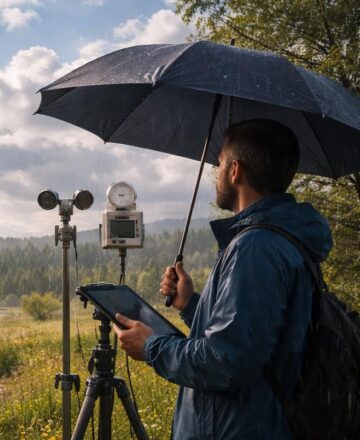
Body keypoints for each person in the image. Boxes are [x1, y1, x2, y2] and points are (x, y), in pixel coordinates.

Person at [112, 119, 332, 439]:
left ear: (235, 171)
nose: (216, 175)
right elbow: (255, 335)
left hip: (239, 429)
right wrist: (190, 305)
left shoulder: (255, 247)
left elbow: (227, 361)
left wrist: (152, 346)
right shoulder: (276, 239)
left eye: (219, 164)